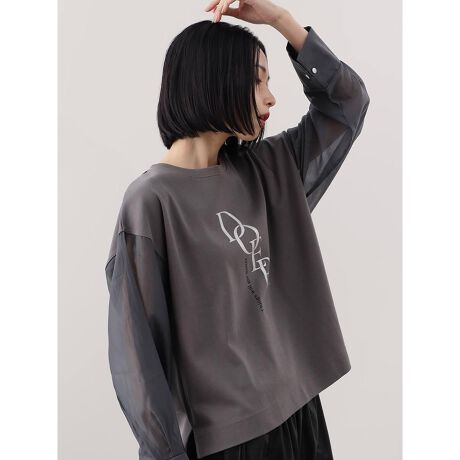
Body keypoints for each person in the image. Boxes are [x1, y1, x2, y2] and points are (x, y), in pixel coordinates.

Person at [104, 1, 370, 459]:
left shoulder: (269, 168)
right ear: (216, 80)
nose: (271, 98)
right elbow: (139, 360)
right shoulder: (150, 202)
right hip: (232, 441)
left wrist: (280, 21)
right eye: (258, 81)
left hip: (300, 412)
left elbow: (348, 105)